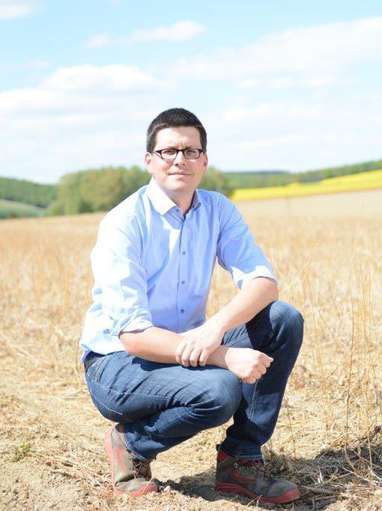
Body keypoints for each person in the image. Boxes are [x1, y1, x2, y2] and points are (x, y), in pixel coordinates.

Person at [80, 107, 304, 504]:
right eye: (168, 151)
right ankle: (130, 443)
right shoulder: (124, 222)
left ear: (204, 160)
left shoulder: (217, 209)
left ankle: (241, 461)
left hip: (187, 343)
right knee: (219, 391)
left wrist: (214, 328)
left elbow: (263, 281)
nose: (179, 159)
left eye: (190, 150)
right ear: (149, 161)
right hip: (117, 363)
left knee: (283, 319)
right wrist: (221, 355)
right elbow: (133, 336)